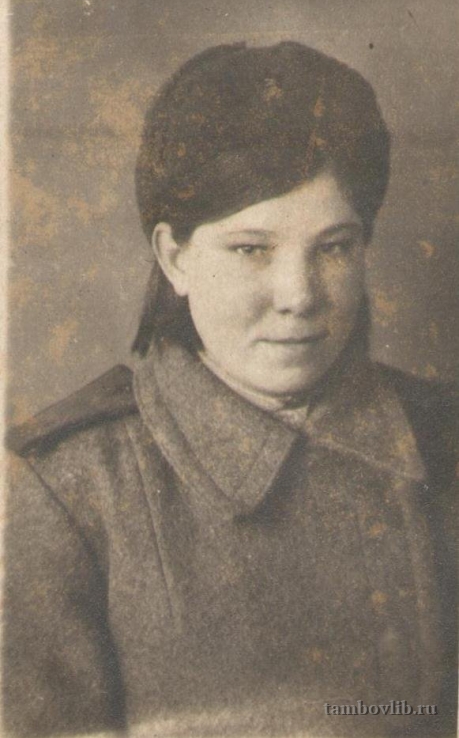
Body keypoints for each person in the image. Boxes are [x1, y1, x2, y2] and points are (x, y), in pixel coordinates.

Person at [3, 42, 457, 738]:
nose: (299, 296)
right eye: (251, 249)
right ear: (175, 257)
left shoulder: (441, 439)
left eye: (333, 246)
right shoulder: (68, 489)